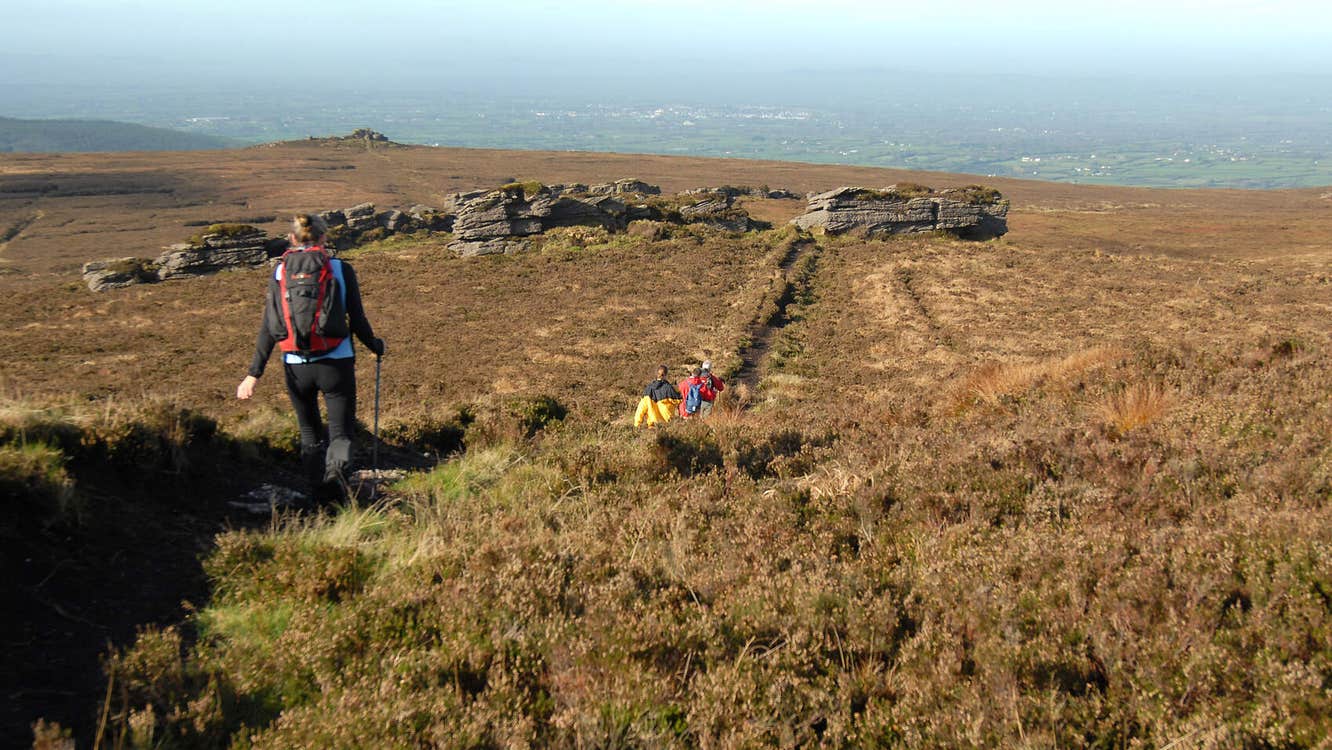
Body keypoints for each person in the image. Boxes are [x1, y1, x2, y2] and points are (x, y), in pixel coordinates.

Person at [236, 214, 385, 499]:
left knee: (309, 434)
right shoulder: (340, 269)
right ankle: (335, 490)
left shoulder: (280, 273)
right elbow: (357, 319)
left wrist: (253, 374)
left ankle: (318, 494)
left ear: (292, 239)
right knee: (340, 435)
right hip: (335, 364)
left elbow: (269, 325)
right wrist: (375, 346)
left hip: (295, 367)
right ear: (324, 238)